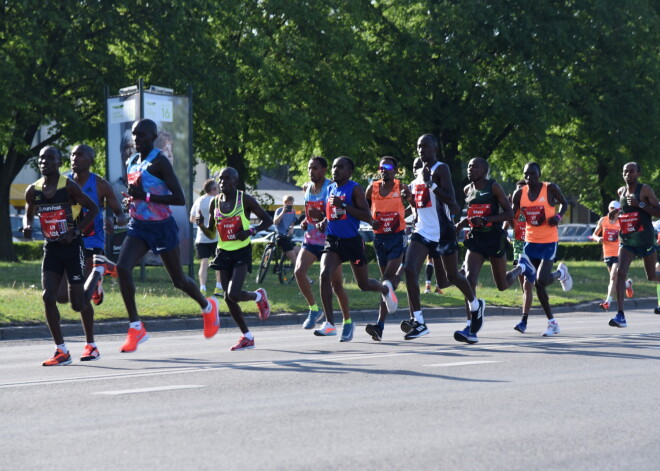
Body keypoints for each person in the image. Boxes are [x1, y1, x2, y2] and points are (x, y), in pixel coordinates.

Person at [84, 119, 220, 353]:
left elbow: (179, 198)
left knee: (178, 280)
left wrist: (145, 196)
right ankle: (136, 327)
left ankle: (208, 307)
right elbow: (135, 193)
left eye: (142, 135)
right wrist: (131, 200)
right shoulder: (131, 162)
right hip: (139, 226)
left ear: (153, 136)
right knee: (124, 269)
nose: (137, 139)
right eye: (135, 135)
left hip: (162, 226)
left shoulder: (160, 161)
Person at [22, 146, 100, 366]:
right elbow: (28, 214)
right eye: (41, 159)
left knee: (77, 305)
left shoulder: (69, 187)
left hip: (73, 247)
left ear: (59, 162)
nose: (44, 162)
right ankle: (61, 350)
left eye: (49, 158)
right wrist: (27, 227)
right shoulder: (33, 190)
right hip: (52, 248)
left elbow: (93, 209)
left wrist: (75, 231)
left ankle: (97, 274)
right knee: (48, 296)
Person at [402, 135, 484, 341]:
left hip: (443, 232)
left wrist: (432, 184)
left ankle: (475, 304)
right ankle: (419, 321)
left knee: (450, 278)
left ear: (434, 149)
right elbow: (419, 206)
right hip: (422, 232)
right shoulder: (418, 175)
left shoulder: (441, 169)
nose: (421, 150)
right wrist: (408, 200)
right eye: (418, 146)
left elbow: (451, 200)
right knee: (409, 269)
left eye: (425, 147)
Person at [53, 145, 127, 361]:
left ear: (90, 160)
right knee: (60, 296)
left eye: (79, 154)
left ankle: (91, 346)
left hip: (92, 243)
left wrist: (115, 220)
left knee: (81, 296)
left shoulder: (100, 184)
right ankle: (98, 282)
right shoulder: (64, 182)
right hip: (69, 242)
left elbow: (117, 212)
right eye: (72, 154)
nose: (74, 157)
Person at [313, 156, 398, 342]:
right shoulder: (330, 188)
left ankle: (384, 290)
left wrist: (344, 205)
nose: (335, 170)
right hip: (333, 241)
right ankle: (329, 323)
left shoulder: (355, 189)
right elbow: (332, 213)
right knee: (324, 275)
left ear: (349, 172)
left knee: (364, 284)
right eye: (334, 166)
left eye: (340, 167)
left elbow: (365, 215)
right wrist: (323, 222)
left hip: (352, 242)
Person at [197, 167, 274, 350]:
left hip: (241, 251)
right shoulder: (214, 203)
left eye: (227, 179)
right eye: (220, 179)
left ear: (235, 182)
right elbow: (211, 233)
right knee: (228, 298)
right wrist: (200, 223)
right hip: (223, 252)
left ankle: (258, 296)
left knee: (233, 293)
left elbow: (267, 220)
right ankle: (247, 336)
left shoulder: (244, 199)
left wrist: (250, 231)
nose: (222, 182)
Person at [453, 157, 522, 343]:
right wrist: (461, 223)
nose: (470, 169)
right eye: (468, 166)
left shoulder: (494, 187)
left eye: (474, 166)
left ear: (484, 170)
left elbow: (509, 213)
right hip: (476, 239)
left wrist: (486, 220)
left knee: (502, 284)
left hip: (494, 238)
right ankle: (471, 326)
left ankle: (521, 268)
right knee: (469, 279)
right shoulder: (467, 190)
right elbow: (472, 214)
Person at [511, 161, 573, 336]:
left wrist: (558, 216)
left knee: (541, 281)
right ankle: (550, 323)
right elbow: (512, 215)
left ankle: (561, 274)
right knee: (533, 285)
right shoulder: (519, 194)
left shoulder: (550, 188)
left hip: (548, 242)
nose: (529, 177)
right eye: (526, 174)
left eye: (533, 174)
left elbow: (565, 203)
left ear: (539, 175)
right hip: (530, 243)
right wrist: (510, 228)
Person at [294, 157, 349, 329]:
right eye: (309, 168)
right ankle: (314, 309)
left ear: (324, 170)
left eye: (315, 168)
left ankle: (347, 321)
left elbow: (339, 211)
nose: (311, 172)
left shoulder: (331, 187)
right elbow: (309, 210)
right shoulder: (307, 188)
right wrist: (305, 221)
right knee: (299, 271)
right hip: (311, 239)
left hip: (330, 242)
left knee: (337, 285)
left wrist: (325, 220)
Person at [609, 162, 660, 327]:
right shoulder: (621, 191)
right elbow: (625, 212)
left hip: (645, 239)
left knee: (652, 276)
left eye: (631, 171)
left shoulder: (645, 190)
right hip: (628, 240)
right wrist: (615, 214)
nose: (627, 174)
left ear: (638, 173)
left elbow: (658, 211)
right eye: (625, 171)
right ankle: (620, 315)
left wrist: (641, 205)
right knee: (620, 272)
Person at [364, 156, 410, 341]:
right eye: (381, 167)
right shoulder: (372, 188)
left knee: (386, 281)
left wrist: (401, 215)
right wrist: (370, 220)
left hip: (397, 236)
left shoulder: (401, 187)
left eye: (388, 166)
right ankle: (380, 327)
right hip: (379, 237)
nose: (384, 170)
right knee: (388, 282)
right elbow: (364, 207)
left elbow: (413, 204)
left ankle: (379, 325)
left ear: (396, 169)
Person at [503, 180, 534, 333]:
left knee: (529, 284)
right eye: (518, 191)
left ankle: (524, 321)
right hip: (518, 247)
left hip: (532, 246)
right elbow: (505, 228)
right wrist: (506, 236)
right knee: (524, 285)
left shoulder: (532, 208)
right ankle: (525, 313)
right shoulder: (513, 211)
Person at [591, 200, 632, 311]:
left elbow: (629, 236)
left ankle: (607, 302)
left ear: (619, 211)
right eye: (611, 208)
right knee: (616, 280)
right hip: (607, 253)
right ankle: (627, 284)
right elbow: (594, 234)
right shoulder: (603, 220)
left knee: (613, 276)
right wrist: (597, 238)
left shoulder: (622, 221)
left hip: (619, 253)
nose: (613, 211)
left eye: (615, 209)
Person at [190, 178, 224, 297]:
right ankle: (218, 288)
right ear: (214, 189)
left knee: (203, 263)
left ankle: (202, 288)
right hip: (216, 237)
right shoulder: (217, 200)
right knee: (218, 263)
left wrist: (202, 223)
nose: (219, 189)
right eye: (217, 187)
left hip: (201, 237)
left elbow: (192, 218)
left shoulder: (199, 200)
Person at [272, 195, 301, 265]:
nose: (289, 204)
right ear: (284, 202)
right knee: (294, 258)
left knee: (300, 251)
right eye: (287, 202)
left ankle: (291, 267)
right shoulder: (279, 210)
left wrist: (291, 228)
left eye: (291, 202)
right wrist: (283, 212)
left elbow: (292, 222)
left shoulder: (293, 212)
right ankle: (298, 272)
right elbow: (275, 222)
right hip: (280, 237)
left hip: (287, 237)